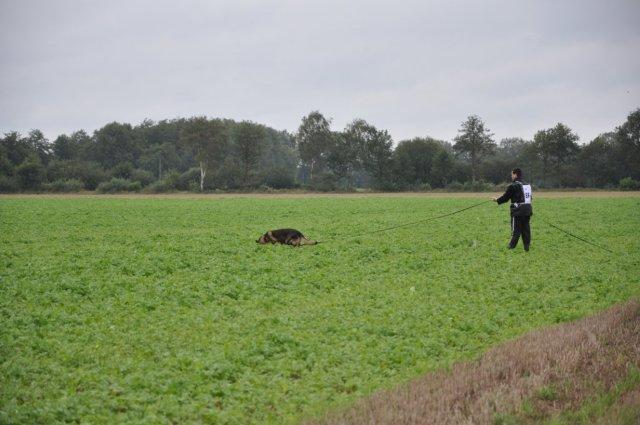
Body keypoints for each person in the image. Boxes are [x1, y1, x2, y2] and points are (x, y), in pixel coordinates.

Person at [491, 168, 533, 251]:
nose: (511, 176)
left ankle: (510, 248)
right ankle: (526, 248)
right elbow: (530, 198)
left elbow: (505, 198)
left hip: (517, 211)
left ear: (515, 174)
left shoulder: (513, 185)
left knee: (516, 230)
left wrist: (496, 200)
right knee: (526, 229)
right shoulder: (528, 185)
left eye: (512, 174)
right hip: (527, 210)